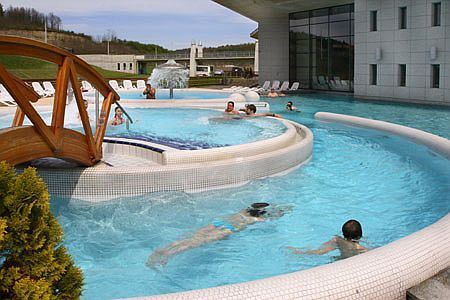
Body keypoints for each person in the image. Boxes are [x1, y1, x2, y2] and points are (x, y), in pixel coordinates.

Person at [148, 203, 290, 267]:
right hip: (227, 230)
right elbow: (270, 217)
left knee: (191, 237)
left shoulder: (244, 210)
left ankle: (164, 249)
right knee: (196, 243)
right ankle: (168, 255)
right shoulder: (257, 219)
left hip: (218, 222)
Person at [288, 220, 368, 260]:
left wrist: (301, 252)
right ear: (360, 235)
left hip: (339, 261)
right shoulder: (360, 248)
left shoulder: (337, 240)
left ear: (343, 234)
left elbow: (320, 251)